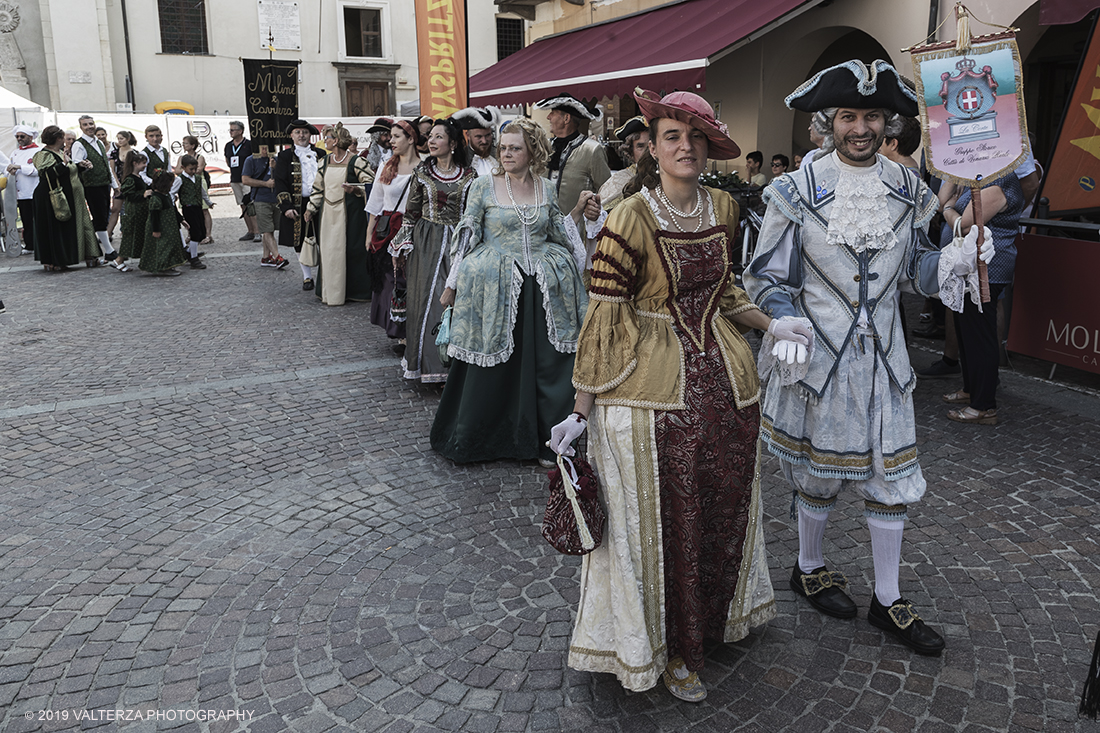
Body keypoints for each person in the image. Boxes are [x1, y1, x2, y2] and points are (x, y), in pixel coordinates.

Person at [548, 90, 800, 702]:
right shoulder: (629, 215)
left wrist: (773, 325)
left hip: (726, 389)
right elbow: (604, 318)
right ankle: (664, 645)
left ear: (710, 147)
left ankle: (710, 622)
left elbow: (728, 295)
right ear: (653, 147)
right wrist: (581, 410)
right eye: (670, 136)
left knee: (718, 509)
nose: (684, 147)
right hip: (648, 394)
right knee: (660, 525)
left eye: (695, 138)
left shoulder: (724, 206)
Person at [743, 59, 993, 658]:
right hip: (821, 361)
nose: (861, 128)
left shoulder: (909, 190)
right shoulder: (793, 191)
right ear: (828, 122)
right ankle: (809, 568)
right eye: (849, 116)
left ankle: (887, 597)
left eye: (873, 116)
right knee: (820, 473)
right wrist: (785, 316)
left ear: (890, 123)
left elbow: (919, 273)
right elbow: (764, 277)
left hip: (886, 364)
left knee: (892, 479)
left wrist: (959, 252)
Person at [431, 118, 592, 465]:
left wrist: (580, 224)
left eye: (515, 148)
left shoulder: (546, 188)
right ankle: (484, 438)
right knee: (492, 368)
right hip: (495, 288)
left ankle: (550, 440)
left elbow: (558, 232)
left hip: (541, 290)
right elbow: (468, 235)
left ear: (532, 150)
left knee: (551, 365)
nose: (506, 153)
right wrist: (452, 284)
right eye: (503, 147)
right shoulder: (483, 187)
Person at [389, 119, 477, 384]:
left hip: (458, 242)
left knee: (458, 299)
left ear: (452, 144)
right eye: (431, 137)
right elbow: (411, 212)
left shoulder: (469, 176)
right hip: (426, 242)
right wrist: (402, 245)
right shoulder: (422, 173)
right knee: (428, 300)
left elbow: (473, 214)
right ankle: (429, 365)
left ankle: (456, 366)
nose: (432, 141)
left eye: (439, 137)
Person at [935, 174, 1025, 425]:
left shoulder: (1001, 182)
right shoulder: (975, 178)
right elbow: (940, 202)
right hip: (968, 269)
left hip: (988, 270)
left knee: (980, 335)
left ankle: (984, 406)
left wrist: (950, 210)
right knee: (967, 332)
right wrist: (952, 183)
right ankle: (971, 390)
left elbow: (966, 224)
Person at [303, 123, 373, 306]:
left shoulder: (356, 161)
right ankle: (330, 292)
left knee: (351, 251)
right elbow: (318, 188)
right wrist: (311, 208)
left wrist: (355, 190)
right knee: (329, 251)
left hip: (351, 216)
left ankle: (353, 291)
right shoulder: (324, 161)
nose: (325, 141)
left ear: (336, 141)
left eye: (328, 138)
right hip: (327, 215)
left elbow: (371, 185)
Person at [365, 119, 421, 346]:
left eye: (397, 136)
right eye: (391, 136)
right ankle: (398, 331)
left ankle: (410, 329)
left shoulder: (424, 167)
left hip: (413, 228)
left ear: (411, 139)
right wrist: (369, 234)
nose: (391, 140)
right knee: (390, 281)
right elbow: (375, 202)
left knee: (410, 281)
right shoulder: (386, 165)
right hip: (387, 230)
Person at [32, 125, 99, 271]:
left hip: (69, 195)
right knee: (54, 228)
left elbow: (67, 171)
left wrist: (81, 166)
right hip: (50, 197)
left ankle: (69, 257)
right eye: (64, 138)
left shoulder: (61, 152)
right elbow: (48, 174)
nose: (66, 141)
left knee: (66, 227)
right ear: (58, 138)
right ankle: (54, 260)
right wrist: (64, 163)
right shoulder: (44, 154)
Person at [535, 92, 611, 213]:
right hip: (543, 228)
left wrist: (594, 211)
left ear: (566, 118)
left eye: (553, 113)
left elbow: (607, 192)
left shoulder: (591, 149)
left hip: (576, 228)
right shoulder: (545, 147)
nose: (548, 117)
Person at [274, 120, 326, 290]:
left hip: (322, 202)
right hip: (298, 204)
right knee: (300, 239)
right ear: (292, 135)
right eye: (298, 132)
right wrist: (286, 206)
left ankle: (326, 275)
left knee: (324, 237)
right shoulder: (284, 156)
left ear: (310, 134)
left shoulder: (320, 153)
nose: (301, 135)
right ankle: (307, 276)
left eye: (304, 132)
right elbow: (280, 182)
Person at [71, 115, 121, 265]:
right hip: (91, 185)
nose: (89, 127)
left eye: (91, 124)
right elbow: (76, 163)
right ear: (81, 127)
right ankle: (109, 251)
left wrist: (114, 185)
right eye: (85, 125)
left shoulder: (98, 142)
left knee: (104, 216)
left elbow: (106, 165)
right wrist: (83, 164)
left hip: (103, 183)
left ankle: (107, 251)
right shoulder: (79, 145)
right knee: (99, 217)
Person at [241, 145, 287, 270]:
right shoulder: (251, 160)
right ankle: (277, 257)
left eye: (269, 147)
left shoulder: (277, 160)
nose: (266, 150)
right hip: (261, 199)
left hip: (275, 199)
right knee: (266, 230)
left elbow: (284, 178)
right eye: (263, 147)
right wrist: (265, 184)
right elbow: (245, 180)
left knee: (270, 229)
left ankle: (266, 257)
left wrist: (275, 168)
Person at [598, 116, 649, 211]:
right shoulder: (618, 181)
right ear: (631, 151)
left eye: (651, 145)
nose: (648, 151)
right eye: (640, 146)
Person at [224, 120, 259, 242]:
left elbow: (255, 161)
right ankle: (250, 231)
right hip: (235, 178)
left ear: (240, 131)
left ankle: (257, 231)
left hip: (248, 178)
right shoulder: (228, 145)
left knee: (251, 204)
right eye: (230, 130)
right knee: (242, 205)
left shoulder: (249, 144)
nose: (231, 132)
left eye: (233, 130)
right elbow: (228, 161)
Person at [8, 125, 39, 256]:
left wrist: (20, 167)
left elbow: (37, 170)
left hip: (35, 190)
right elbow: (7, 168)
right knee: (26, 220)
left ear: (30, 137)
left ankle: (40, 244)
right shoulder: (15, 153)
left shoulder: (39, 151)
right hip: (21, 193)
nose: (19, 139)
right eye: (17, 136)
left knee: (38, 219)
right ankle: (30, 244)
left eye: (22, 136)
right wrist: (10, 169)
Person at [116, 150, 150, 269]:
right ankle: (119, 259)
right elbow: (128, 194)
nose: (145, 165)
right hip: (134, 211)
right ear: (135, 163)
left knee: (136, 235)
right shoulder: (130, 178)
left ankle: (121, 260)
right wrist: (143, 195)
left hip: (140, 210)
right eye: (143, 163)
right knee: (130, 235)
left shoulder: (138, 177)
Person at [176, 154, 211, 270]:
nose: (193, 171)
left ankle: (190, 253)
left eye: (195, 169)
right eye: (191, 169)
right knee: (194, 232)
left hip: (197, 206)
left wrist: (208, 202)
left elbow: (202, 192)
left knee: (201, 232)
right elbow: (172, 192)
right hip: (188, 207)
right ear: (183, 167)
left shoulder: (197, 178)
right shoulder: (180, 179)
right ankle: (194, 258)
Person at [178, 135, 214, 244]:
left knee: (203, 209)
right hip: (186, 185)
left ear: (193, 145)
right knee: (189, 212)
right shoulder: (181, 157)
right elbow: (177, 170)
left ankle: (207, 235)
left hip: (198, 183)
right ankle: (191, 233)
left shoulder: (199, 157)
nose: (184, 145)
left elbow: (198, 171)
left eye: (186, 143)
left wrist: (186, 170)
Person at [453, 106, 502, 178]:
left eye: (488, 135)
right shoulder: (460, 159)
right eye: (479, 137)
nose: (484, 141)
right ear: (468, 135)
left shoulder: (500, 155)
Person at [107, 130, 137, 239]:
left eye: (121, 138)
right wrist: (117, 184)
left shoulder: (134, 153)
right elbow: (112, 169)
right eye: (118, 138)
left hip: (130, 183)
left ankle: (127, 232)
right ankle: (108, 233)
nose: (119, 141)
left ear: (127, 139)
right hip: (118, 183)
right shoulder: (114, 152)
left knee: (129, 210)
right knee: (115, 209)